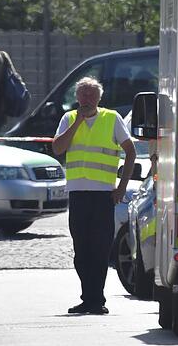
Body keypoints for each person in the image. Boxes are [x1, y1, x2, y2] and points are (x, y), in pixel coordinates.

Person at [52, 78, 137, 315]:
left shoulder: (112, 119)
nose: (87, 100)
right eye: (83, 95)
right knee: (82, 250)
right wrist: (78, 121)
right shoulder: (69, 118)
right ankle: (87, 296)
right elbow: (58, 148)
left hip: (103, 195)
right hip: (78, 194)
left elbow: (129, 152)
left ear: (99, 98)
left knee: (100, 249)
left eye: (91, 95)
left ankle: (96, 299)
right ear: (77, 98)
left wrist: (121, 187)